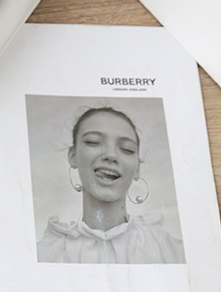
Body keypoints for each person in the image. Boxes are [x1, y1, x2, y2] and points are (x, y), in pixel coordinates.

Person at [37, 106, 185, 264]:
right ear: (73, 156)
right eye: (93, 142)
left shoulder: (173, 253)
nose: (111, 155)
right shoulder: (45, 255)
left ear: (137, 168)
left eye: (127, 149)